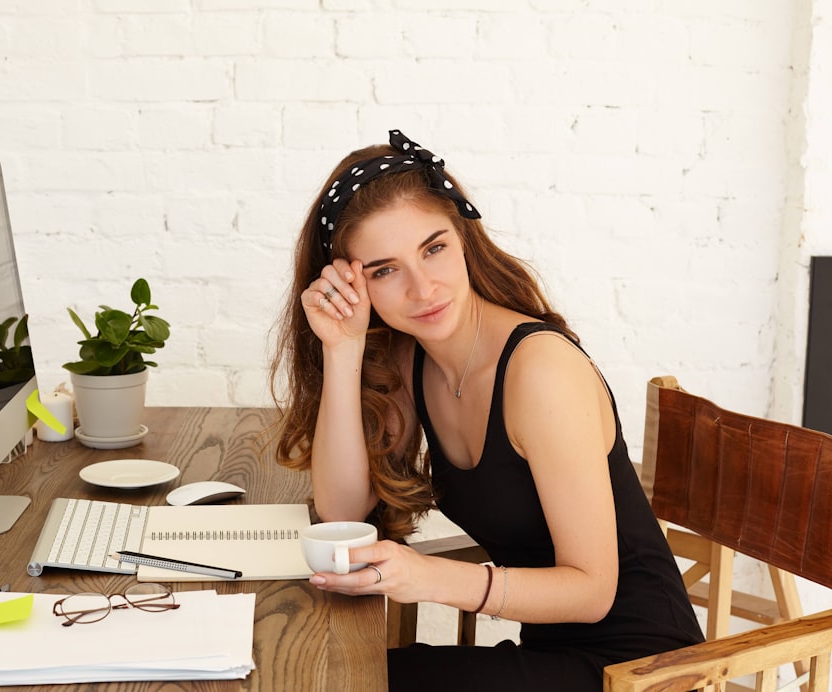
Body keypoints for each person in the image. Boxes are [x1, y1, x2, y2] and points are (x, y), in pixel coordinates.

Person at [270, 129, 704, 690]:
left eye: (434, 248)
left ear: (465, 238)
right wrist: (344, 347)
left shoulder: (540, 371)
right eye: (384, 270)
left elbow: (593, 592)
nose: (423, 288)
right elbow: (343, 509)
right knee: (321, 672)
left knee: (338, 682)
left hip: (644, 671)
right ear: (352, 282)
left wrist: (428, 577)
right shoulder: (413, 359)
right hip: (550, 654)